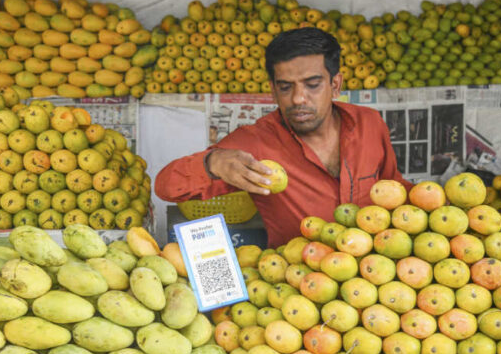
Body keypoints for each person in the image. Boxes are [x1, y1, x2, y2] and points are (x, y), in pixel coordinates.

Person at [155, 27, 411, 248]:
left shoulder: (369, 123)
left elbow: (394, 189)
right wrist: (213, 164)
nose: (298, 99)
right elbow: (166, 186)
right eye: (286, 87)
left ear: (335, 84)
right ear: (273, 91)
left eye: (312, 84)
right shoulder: (255, 143)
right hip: (296, 289)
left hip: (377, 279)